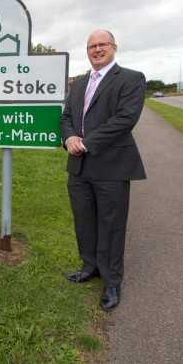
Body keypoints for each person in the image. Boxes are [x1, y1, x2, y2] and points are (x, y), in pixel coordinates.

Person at [60, 30, 146, 311]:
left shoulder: (131, 79)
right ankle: (90, 267)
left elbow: (125, 119)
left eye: (102, 45)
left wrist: (86, 143)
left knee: (111, 225)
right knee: (84, 220)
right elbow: (68, 117)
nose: (97, 49)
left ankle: (111, 281)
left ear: (113, 48)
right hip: (79, 167)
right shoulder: (81, 83)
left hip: (112, 166)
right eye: (91, 46)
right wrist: (70, 137)